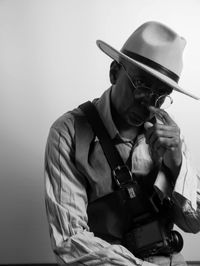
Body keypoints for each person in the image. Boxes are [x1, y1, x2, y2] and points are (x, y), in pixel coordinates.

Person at [44, 21, 200, 266]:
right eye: (142, 85)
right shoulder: (68, 133)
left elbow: (193, 223)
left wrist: (176, 164)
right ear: (114, 72)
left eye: (161, 95)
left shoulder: (169, 137)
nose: (149, 103)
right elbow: (70, 242)